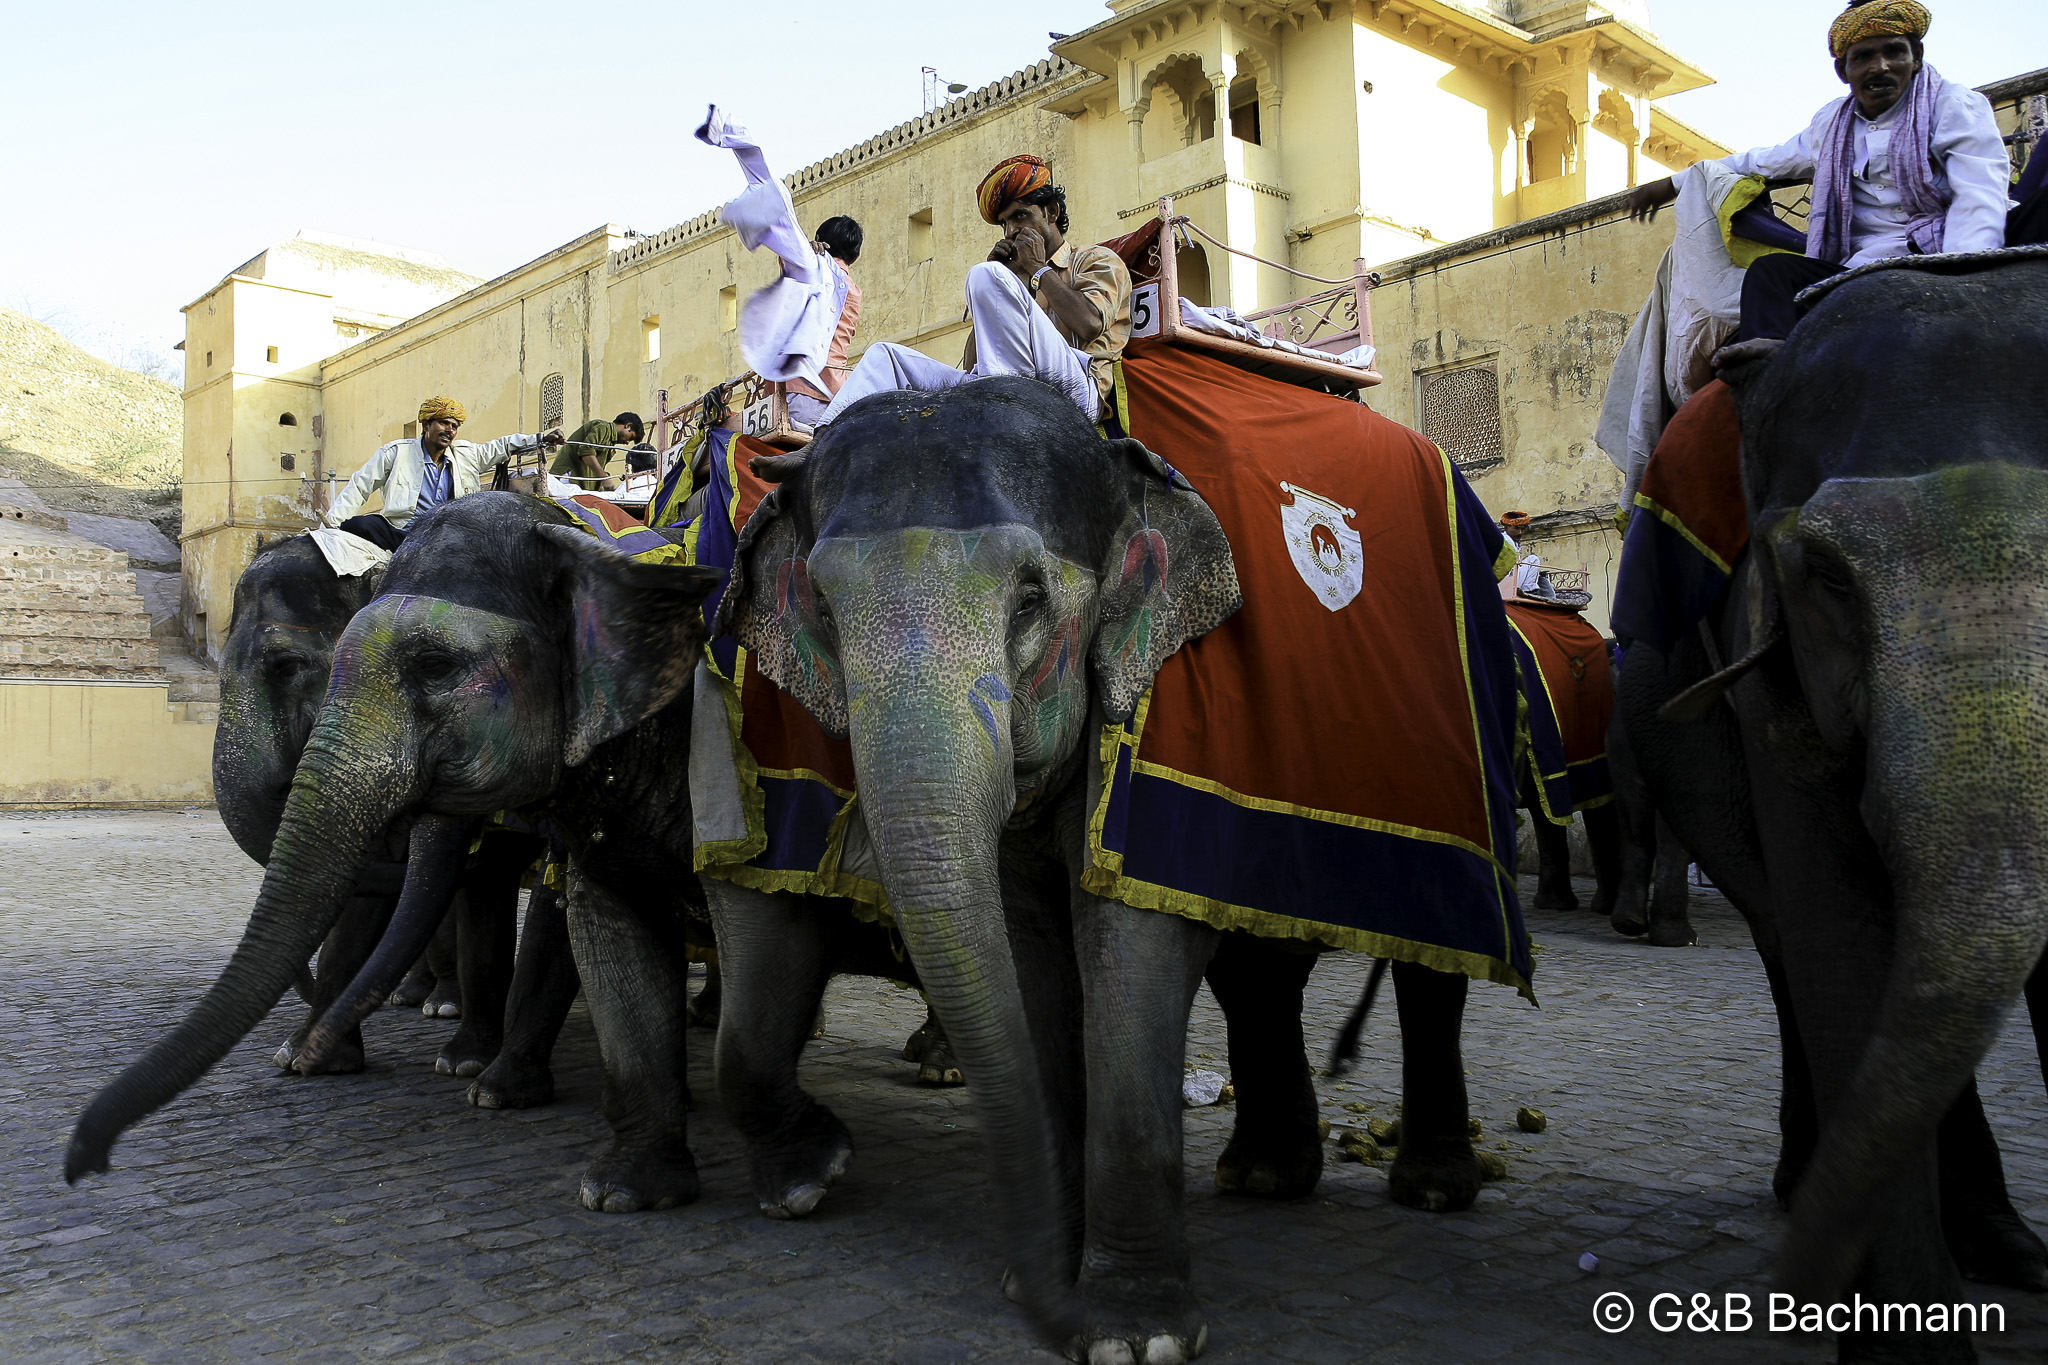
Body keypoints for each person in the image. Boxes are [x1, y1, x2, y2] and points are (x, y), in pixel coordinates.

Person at [1623, 0, 2022, 348]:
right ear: (1843, 70)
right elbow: (1760, 161)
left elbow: (1978, 197)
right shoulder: (1831, 125)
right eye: (1863, 56)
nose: (1880, 66)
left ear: (1916, 57)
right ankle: (1768, 362)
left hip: (1956, 248)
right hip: (1863, 263)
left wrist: (1961, 281)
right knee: (1771, 274)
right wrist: (1672, 183)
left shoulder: (1954, 105)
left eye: (1894, 52)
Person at [815, 154, 1132, 424]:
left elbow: (1090, 324)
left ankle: (997, 411)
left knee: (984, 275)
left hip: (1076, 391)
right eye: (1005, 223)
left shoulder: (1096, 260)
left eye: (1021, 215)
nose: (1012, 230)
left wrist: (1037, 269)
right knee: (885, 356)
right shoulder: (1011, 278)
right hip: (1002, 386)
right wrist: (1005, 282)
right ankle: (820, 443)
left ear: (1051, 212)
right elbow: (971, 366)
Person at [327, 396, 562, 551]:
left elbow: (502, 445)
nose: (449, 430)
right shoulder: (396, 452)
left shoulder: (468, 454)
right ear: (426, 425)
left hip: (450, 533)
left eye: (454, 426)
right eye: (443, 423)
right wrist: (331, 525)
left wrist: (539, 438)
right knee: (360, 525)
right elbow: (360, 486)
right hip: (404, 532)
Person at [784, 216, 864, 429]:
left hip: (801, 393)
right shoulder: (854, 291)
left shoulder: (815, 273)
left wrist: (805, 254)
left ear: (819, 240)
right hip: (838, 395)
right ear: (854, 255)